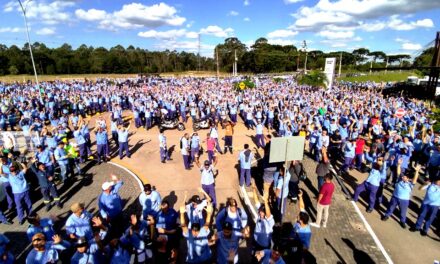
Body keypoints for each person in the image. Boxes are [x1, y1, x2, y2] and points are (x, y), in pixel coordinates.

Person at [251, 181, 274, 251]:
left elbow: (268, 214)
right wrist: (253, 188)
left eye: (262, 212)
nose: (260, 213)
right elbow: (256, 201)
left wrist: (266, 201)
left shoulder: (270, 221)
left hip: (264, 247)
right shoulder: (260, 213)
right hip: (255, 241)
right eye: (260, 211)